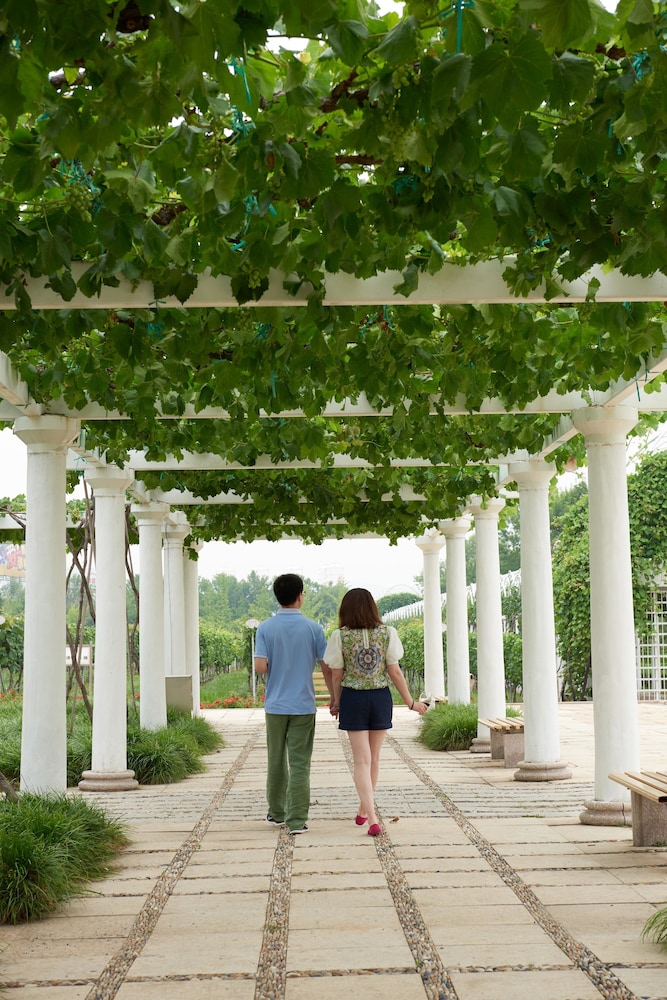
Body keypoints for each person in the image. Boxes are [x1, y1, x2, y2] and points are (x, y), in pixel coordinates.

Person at [324, 588, 427, 836]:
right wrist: (411, 703)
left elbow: (337, 673)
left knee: (361, 759)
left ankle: (370, 816)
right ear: (372, 607)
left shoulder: (340, 636)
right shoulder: (388, 633)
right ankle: (366, 812)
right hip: (380, 697)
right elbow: (395, 672)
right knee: (374, 758)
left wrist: (336, 701)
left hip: (353, 697)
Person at [254, 573, 333, 834]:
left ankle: (277, 813)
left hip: (275, 706)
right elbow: (326, 666)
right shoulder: (313, 628)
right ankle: (297, 819)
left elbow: (260, 666)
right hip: (303, 706)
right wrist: (335, 697)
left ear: (278, 597)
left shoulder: (265, 628)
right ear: (300, 596)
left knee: (276, 760)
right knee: (300, 763)